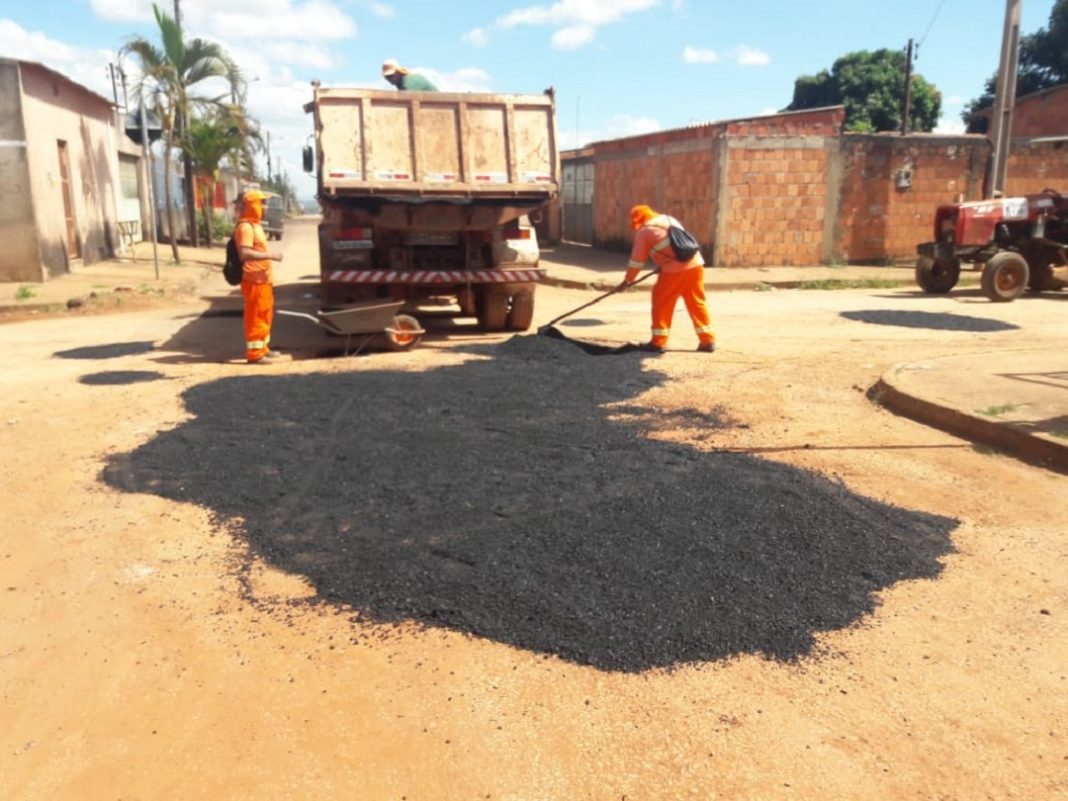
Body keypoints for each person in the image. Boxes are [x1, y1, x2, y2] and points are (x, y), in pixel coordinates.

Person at [619, 204, 716, 353]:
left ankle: (658, 342)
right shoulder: (669, 219)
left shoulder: (644, 232)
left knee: (662, 303)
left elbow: (637, 261)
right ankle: (707, 340)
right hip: (696, 265)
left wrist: (628, 280)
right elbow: (676, 245)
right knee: (696, 302)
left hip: (673, 272)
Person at [234, 189, 284, 364]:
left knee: (265, 314)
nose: (265, 207)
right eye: (262, 203)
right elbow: (244, 253)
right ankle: (255, 354)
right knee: (256, 316)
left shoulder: (256, 226)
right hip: (254, 280)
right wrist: (271, 256)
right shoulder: (245, 227)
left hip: (263, 280)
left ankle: (263, 348)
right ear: (252, 205)